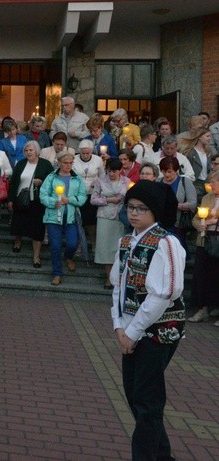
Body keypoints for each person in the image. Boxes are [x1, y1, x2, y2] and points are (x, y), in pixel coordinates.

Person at [110, 180, 185, 461]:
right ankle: (163, 456)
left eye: (142, 209)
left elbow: (164, 293)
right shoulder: (126, 240)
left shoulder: (166, 243)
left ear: (155, 211)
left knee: (147, 402)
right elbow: (117, 286)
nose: (134, 213)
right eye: (130, 207)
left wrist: (133, 331)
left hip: (159, 332)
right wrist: (119, 326)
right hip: (131, 329)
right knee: (136, 398)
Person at [40, 151, 87, 285]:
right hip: (54, 217)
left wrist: (70, 199)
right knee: (55, 245)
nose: (68, 165)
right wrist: (53, 202)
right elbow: (43, 195)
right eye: (65, 163)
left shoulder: (77, 178)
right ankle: (57, 273)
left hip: (71, 217)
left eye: (70, 163)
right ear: (59, 163)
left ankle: (68, 257)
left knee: (72, 243)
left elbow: (83, 197)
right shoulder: (51, 177)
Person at [9, 141, 53, 268]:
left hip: (37, 202)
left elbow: (51, 181)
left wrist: (42, 181)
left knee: (37, 229)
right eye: (26, 150)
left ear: (37, 151)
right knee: (19, 223)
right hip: (21, 199)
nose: (28, 152)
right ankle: (18, 242)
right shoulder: (21, 163)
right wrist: (11, 200)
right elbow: (13, 183)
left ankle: (36, 256)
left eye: (31, 150)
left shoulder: (45, 164)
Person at [91, 159, 129, 288]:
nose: (111, 174)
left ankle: (118, 278)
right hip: (105, 217)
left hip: (120, 217)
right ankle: (108, 278)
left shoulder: (127, 181)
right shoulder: (100, 181)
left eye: (114, 171)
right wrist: (108, 200)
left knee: (118, 248)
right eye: (109, 171)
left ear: (120, 170)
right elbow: (93, 200)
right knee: (106, 248)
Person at [187, 170, 219, 324]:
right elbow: (196, 218)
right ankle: (202, 308)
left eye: (213, 182)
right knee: (202, 275)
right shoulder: (207, 198)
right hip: (205, 240)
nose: (210, 185)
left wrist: (215, 222)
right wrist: (200, 225)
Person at [158, 156, 196, 252]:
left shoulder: (185, 182)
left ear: (176, 170)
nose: (166, 174)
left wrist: (174, 205)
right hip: (160, 222)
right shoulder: (158, 182)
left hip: (177, 223)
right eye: (164, 171)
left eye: (170, 171)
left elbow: (192, 204)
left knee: (178, 248)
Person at [74, 139, 105, 251]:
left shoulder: (98, 160)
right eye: (83, 153)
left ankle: (93, 243)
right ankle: (78, 244)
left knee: (91, 222)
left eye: (88, 153)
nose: (86, 155)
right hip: (77, 194)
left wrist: (97, 183)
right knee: (78, 220)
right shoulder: (74, 159)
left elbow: (102, 175)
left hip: (92, 194)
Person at [180, 127, 215, 203]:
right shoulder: (190, 152)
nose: (209, 139)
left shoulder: (208, 151)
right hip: (195, 183)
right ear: (199, 137)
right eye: (207, 136)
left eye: (210, 136)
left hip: (207, 182)